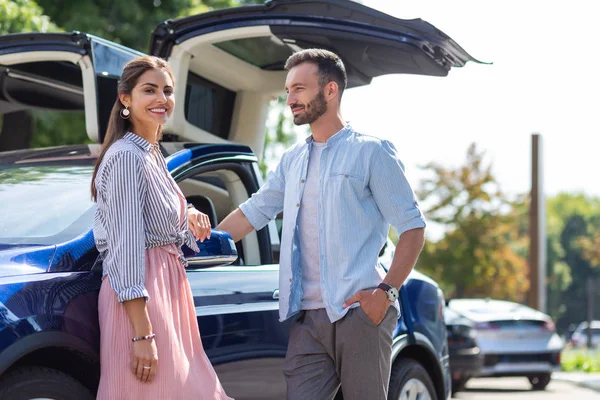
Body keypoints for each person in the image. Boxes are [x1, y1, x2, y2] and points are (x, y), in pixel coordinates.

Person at [216, 49, 426, 400]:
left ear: (330, 90)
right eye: (287, 91)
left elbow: (412, 228)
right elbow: (252, 213)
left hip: (360, 312)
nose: (290, 99)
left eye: (299, 89)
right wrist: (196, 244)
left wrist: (385, 293)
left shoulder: (372, 153)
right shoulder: (291, 161)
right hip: (307, 320)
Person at [91, 56, 232, 400]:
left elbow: (158, 217)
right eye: (149, 90)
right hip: (142, 299)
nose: (161, 99)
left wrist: (190, 212)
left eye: (167, 91)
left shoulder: (151, 154)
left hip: (167, 290)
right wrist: (142, 335)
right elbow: (125, 246)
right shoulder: (126, 156)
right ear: (125, 98)